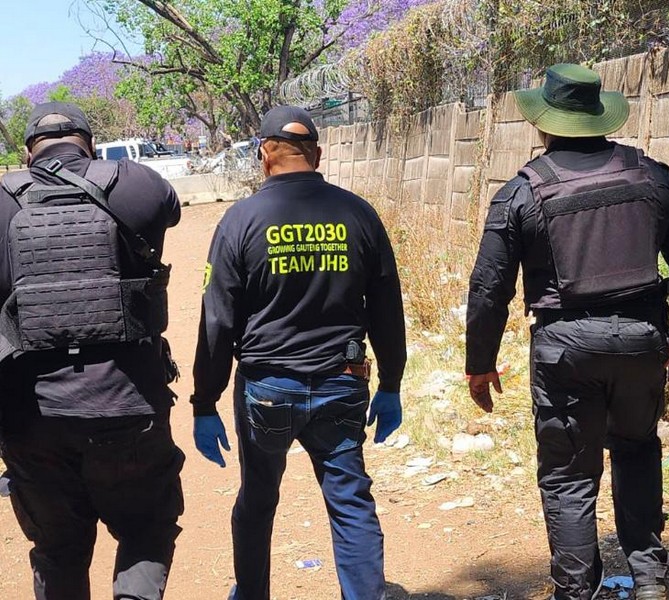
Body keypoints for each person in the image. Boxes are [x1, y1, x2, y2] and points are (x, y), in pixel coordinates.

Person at [465, 64, 669, 600]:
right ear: (599, 116)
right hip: (643, 340)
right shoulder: (654, 178)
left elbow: (488, 288)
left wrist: (479, 363)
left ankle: (576, 591)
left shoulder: (522, 192)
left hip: (565, 350)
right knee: (637, 449)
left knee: (569, 474)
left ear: (542, 123)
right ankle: (649, 580)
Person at [190, 105, 406, 600]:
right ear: (318, 155)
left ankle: (252, 593)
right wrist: (391, 383)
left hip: (268, 389)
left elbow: (217, 319)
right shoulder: (359, 214)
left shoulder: (240, 220)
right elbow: (387, 307)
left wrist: (205, 402)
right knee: (351, 502)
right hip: (342, 382)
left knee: (257, 498)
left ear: (264, 154)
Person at [0, 102, 184, 600]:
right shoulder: (138, 183)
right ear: (91, 145)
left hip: (30, 417)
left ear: (28, 153)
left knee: (58, 550)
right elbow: (169, 210)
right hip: (127, 406)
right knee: (145, 532)